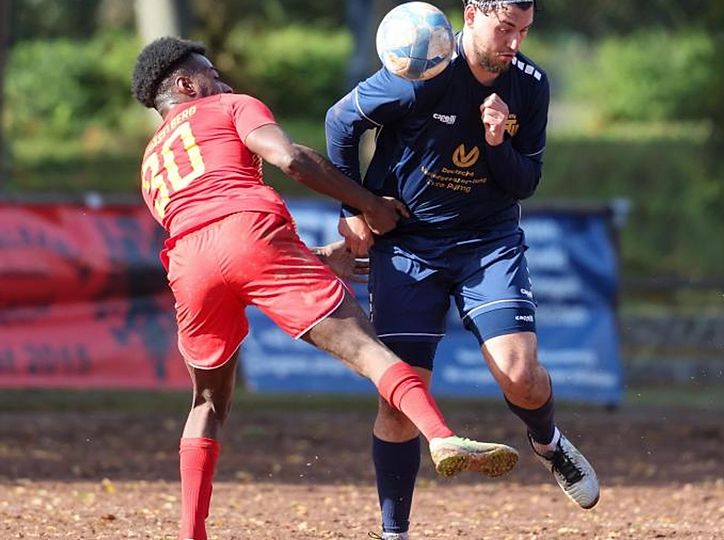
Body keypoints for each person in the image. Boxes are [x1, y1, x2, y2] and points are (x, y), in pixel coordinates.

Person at [131, 37, 520, 540]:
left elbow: (213, 241)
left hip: (188, 265)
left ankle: (191, 534)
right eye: (212, 74)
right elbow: (290, 160)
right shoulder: (230, 106)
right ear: (186, 84)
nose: (223, 82)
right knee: (370, 353)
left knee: (206, 403)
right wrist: (368, 205)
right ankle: (441, 436)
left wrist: (313, 258)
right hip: (248, 232)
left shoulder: (150, 162)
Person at [326, 1, 600, 537]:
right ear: (472, 15)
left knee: (521, 377)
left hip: (487, 242)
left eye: (524, 31)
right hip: (408, 244)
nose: (514, 44)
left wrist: (496, 142)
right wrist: (354, 207)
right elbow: (341, 122)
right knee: (401, 400)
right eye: (505, 29)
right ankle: (394, 531)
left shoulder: (530, 85)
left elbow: (525, 182)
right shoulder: (421, 68)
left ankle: (548, 443)